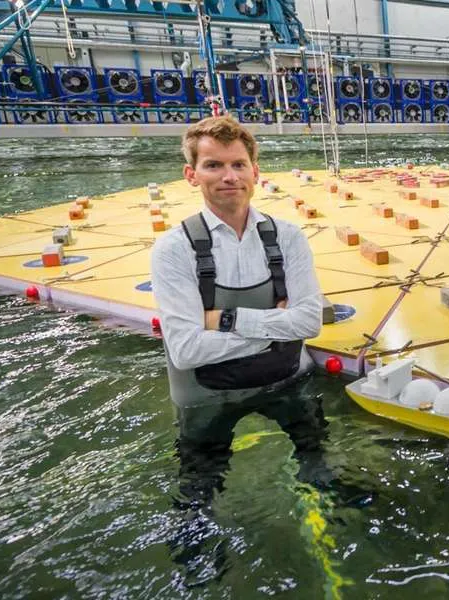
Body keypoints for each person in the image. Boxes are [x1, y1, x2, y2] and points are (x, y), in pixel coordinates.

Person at [150, 114, 342, 509]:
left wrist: (223, 320)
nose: (228, 176)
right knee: (198, 493)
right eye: (213, 165)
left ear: (255, 171)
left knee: (320, 463)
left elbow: (309, 322)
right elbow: (186, 350)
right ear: (192, 174)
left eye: (238, 165)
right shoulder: (174, 249)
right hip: (206, 393)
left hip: (286, 380)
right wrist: (278, 327)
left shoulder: (287, 238)